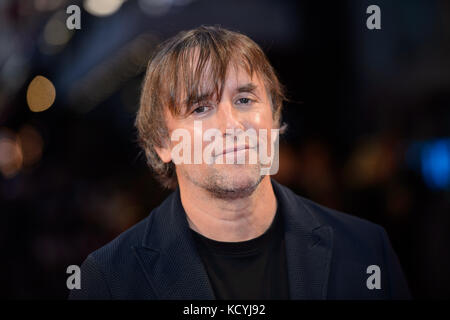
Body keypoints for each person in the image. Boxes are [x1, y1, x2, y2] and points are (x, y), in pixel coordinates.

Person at [69, 25, 411, 300]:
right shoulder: (110, 280)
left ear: (275, 119)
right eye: (200, 107)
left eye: (245, 99)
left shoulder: (365, 250)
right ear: (162, 143)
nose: (231, 125)